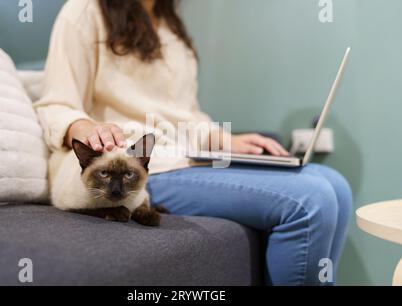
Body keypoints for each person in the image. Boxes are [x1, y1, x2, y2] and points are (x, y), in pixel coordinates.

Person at [34, 0, 352, 285]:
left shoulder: (171, 25)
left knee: (336, 185)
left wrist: (227, 140)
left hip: (189, 155)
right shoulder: (84, 12)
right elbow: (55, 105)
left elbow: (187, 115)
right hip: (146, 167)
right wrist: (85, 126)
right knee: (311, 199)